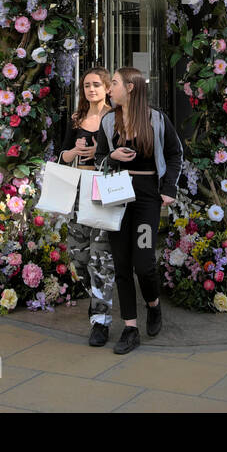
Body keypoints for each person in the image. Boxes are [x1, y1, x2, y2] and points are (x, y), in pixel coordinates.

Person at [95, 66, 184, 355]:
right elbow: (98, 157)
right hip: (117, 197)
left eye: (115, 83)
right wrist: (111, 155)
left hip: (147, 198)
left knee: (144, 263)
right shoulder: (109, 121)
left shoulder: (157, 119)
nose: (110, 89)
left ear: (131, 87)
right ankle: (130, 328)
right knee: (121, 264)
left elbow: (174, 153)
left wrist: (168, 188)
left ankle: (153, 304)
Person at [58, 67, 116, 347]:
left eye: (96, 85)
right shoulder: (77, 119)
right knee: (79, 257)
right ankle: (96, 300)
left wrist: (99, 153)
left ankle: (100, 321)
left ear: (107, 88)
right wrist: (75, 152)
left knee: (101, 257)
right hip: (78, 190)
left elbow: (126, 153)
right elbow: (63, 153)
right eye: (86, 85)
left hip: (103, 191)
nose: (91, 89)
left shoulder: (116, 118)